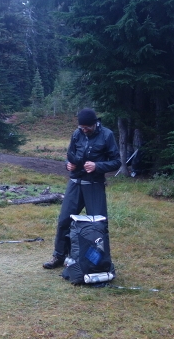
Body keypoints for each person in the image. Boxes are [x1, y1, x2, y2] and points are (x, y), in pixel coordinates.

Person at [43, 108, 121, 269]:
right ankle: (59, 256)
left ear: (95, 124)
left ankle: (99, 261)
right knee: (64, 220)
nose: (84, 130)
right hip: (75, 183)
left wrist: (97, 165)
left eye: (87, 127)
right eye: (82, 127)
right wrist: (68, 165)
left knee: (99, 224)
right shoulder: (77, 134)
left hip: (94, 185)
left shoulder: (107, 135)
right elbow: (70, 155)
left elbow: (116, 161)